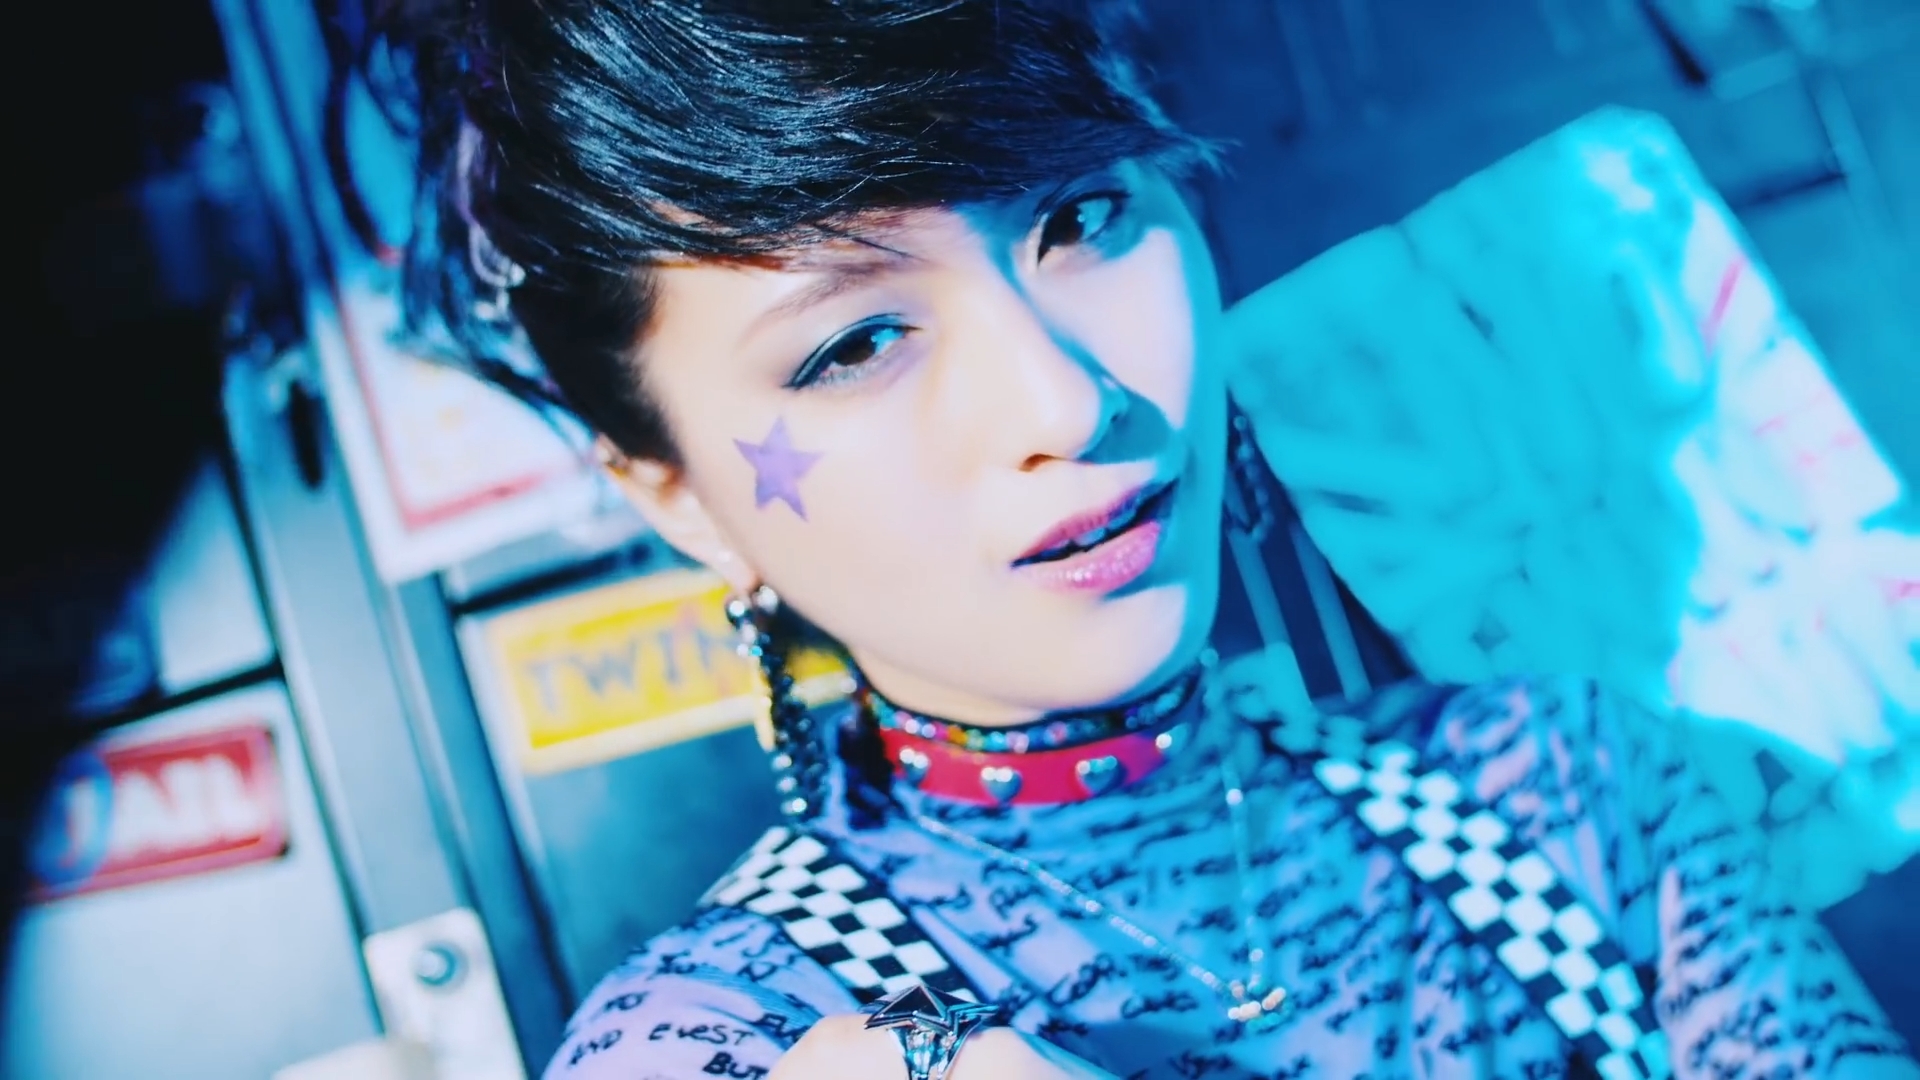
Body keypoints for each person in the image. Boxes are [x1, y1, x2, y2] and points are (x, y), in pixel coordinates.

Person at [389, 1, 1918, 1077]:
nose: (1068, 398)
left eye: (1082, 219)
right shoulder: (713, 1048)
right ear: (675, 499)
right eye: (852, 344)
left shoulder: (1568, 794)